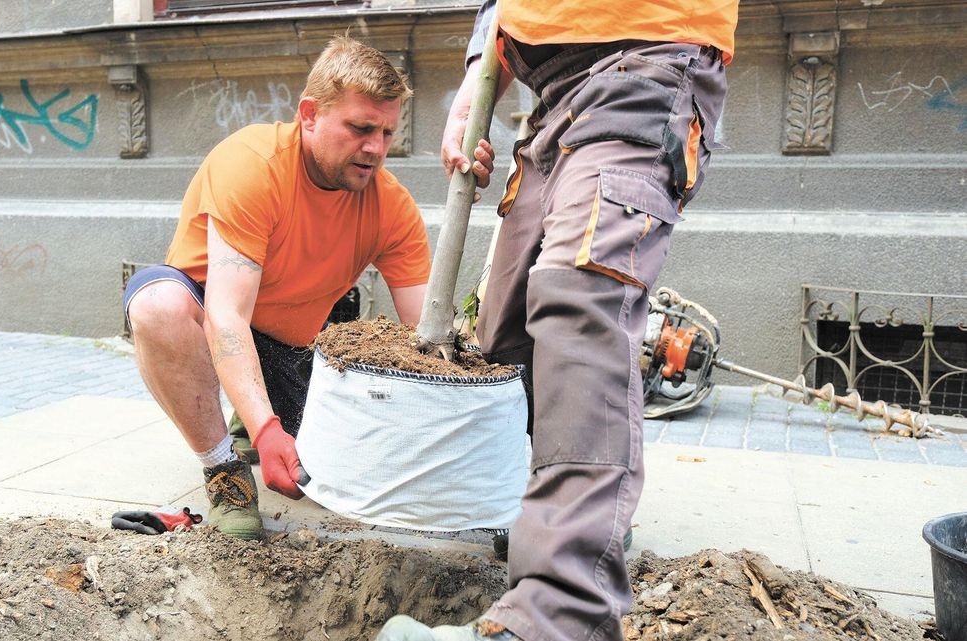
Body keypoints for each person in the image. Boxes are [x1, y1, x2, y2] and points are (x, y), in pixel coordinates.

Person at [378, 2, 737, 640]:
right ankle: (570, 522)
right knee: (505, 332)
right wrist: (476, 81)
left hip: (645, 59)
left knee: (576, 299)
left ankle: (560, 612)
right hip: (550, 93)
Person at [123, 36, 438, 541]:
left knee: (334, 472)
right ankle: (225, 471)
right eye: (360, 128)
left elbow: (425, 334)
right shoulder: (254, 164)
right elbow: (227, 315)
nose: (376, 148)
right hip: (208, 321)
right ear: (310, 115)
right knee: (157, 306)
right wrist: (270, 431)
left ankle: (251, 415)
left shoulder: (391, 206)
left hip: (292, 346)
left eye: (386, 132)